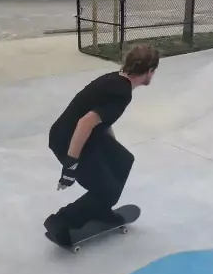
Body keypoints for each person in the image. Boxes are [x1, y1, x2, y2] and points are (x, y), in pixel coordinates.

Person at [44, 44, 160, 246]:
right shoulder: (121, 93)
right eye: (154, 72)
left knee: (123, 160)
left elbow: (101, 121)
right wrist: (71, 165)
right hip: (68, 140)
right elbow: (85, 123)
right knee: (106, 190)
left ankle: (101, 208)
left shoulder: (115, 80)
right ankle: (60, 221)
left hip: (84, 135)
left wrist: (112, 151)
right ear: (149, 71)